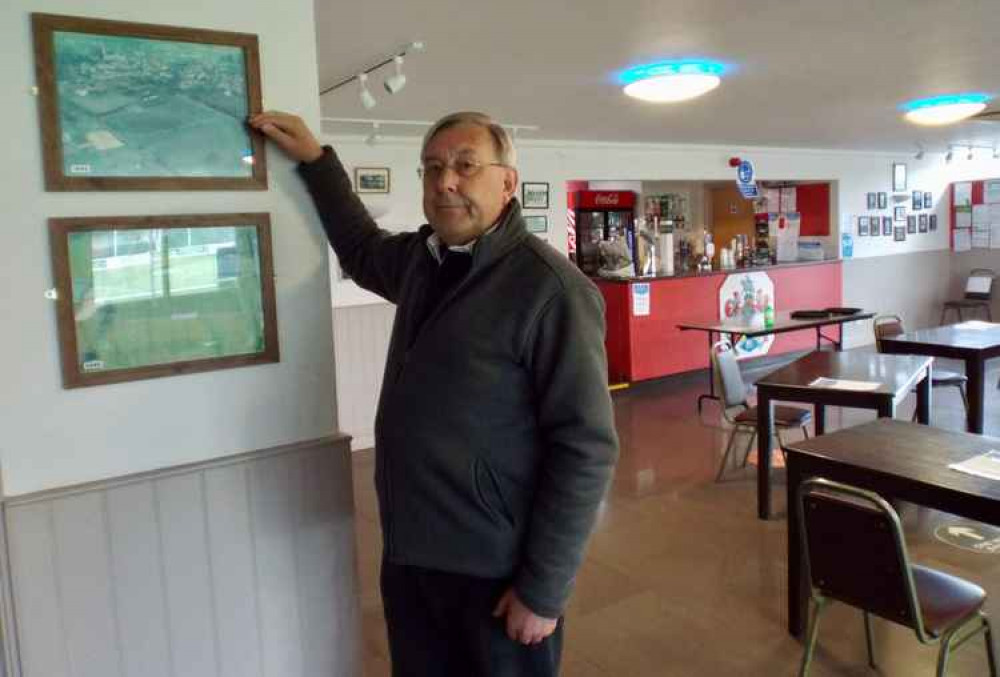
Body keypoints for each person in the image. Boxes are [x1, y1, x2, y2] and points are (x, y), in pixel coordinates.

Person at [249, 110, 619, 677]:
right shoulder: (424, 262)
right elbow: (360, 245)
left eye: (466, 166)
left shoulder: (551, 291)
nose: (445, 181)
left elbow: (586, 448)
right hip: (413, 556)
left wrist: (543, 590)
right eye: (432, 168)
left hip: (495, 571)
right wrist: (317, 163)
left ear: (507, 182)